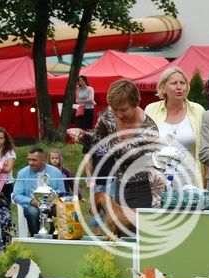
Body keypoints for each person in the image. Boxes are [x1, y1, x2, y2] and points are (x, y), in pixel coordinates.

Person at [68, 79, 163, 208]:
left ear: (136, 103)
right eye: (114, 109)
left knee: (137, 221)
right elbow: (97, 139)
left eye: (123, 110)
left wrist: (156, 205)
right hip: (119, 184)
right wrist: (82, 135)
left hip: (144, 188)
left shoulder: (149, 130)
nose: (118, 114)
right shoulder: (108, 115)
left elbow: (127, 154)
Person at [145, 66, 205, 187]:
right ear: (163, 87)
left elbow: (206, 147)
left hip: (191, 184)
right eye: (174, 83)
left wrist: (207, 179)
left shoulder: (198, 110)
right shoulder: (151, 110)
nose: (179, 87)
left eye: (182, 83)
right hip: (158, 184)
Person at [12, 147, 66, 236]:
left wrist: (52, 202)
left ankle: (54, 235)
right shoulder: (22, 173)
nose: (31, 163)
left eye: (34, 160)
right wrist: (32, 201)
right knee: (32, 212)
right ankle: (35, 237)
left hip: (52, 204)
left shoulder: (56, 172)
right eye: (29, 160)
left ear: (43, 160)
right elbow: (16, 195)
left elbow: (62, 193)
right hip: (32, 204)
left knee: (59, 210)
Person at [0, 127, 17, 203]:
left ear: (5, 139)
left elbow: (8, 169)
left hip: (6, 183)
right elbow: (4, 168)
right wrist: (2, 165)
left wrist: (3, 167)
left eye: (1, 138)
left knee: (4, 205)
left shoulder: (10, 152)